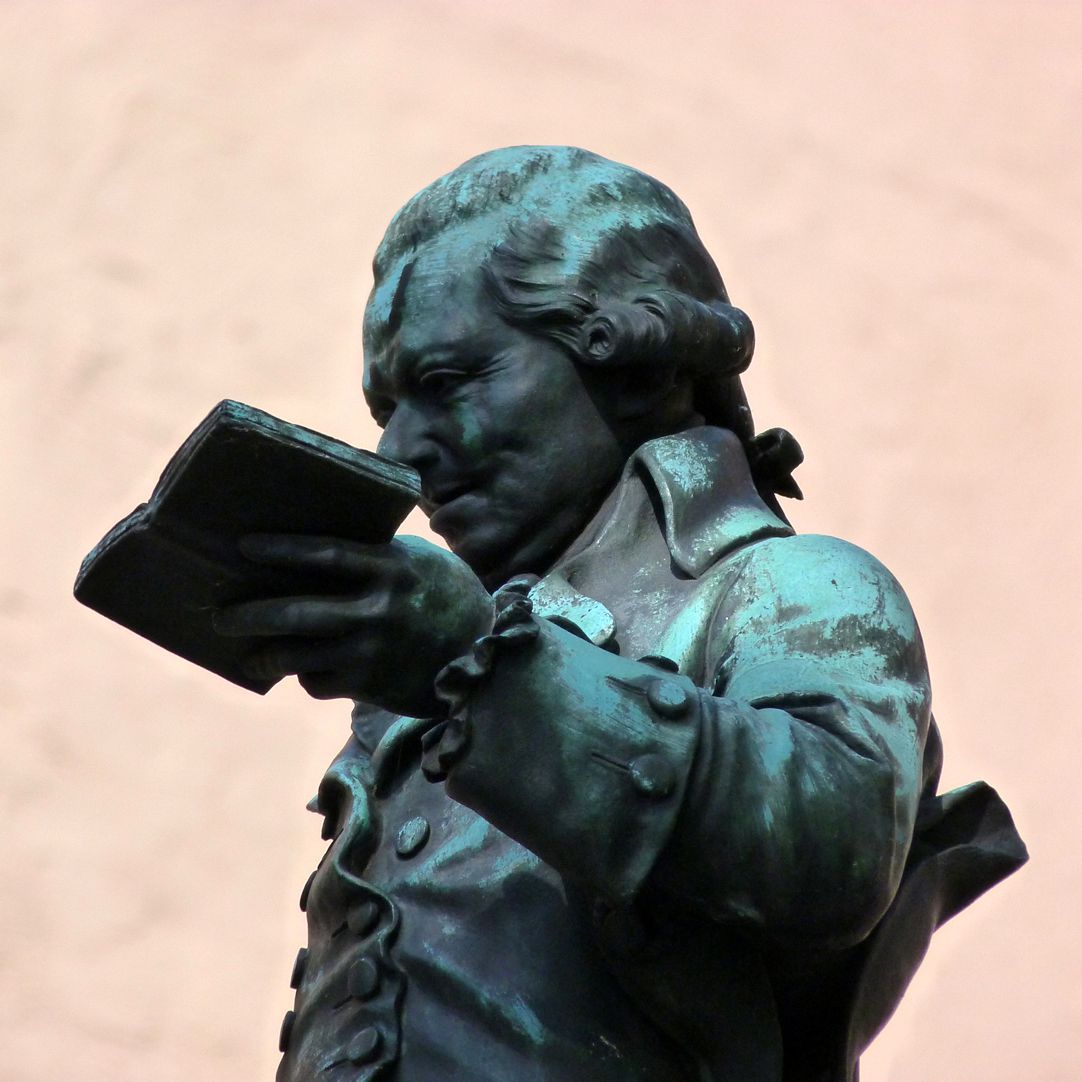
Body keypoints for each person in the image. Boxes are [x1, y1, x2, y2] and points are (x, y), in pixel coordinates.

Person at [215, 147, 1026, 1082]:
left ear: (629, 362)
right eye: (386, 407)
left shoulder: (795, 588)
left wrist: (481, 663)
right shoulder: (429, 675)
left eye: (448, 383)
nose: (401, 452)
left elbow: (834, 850)